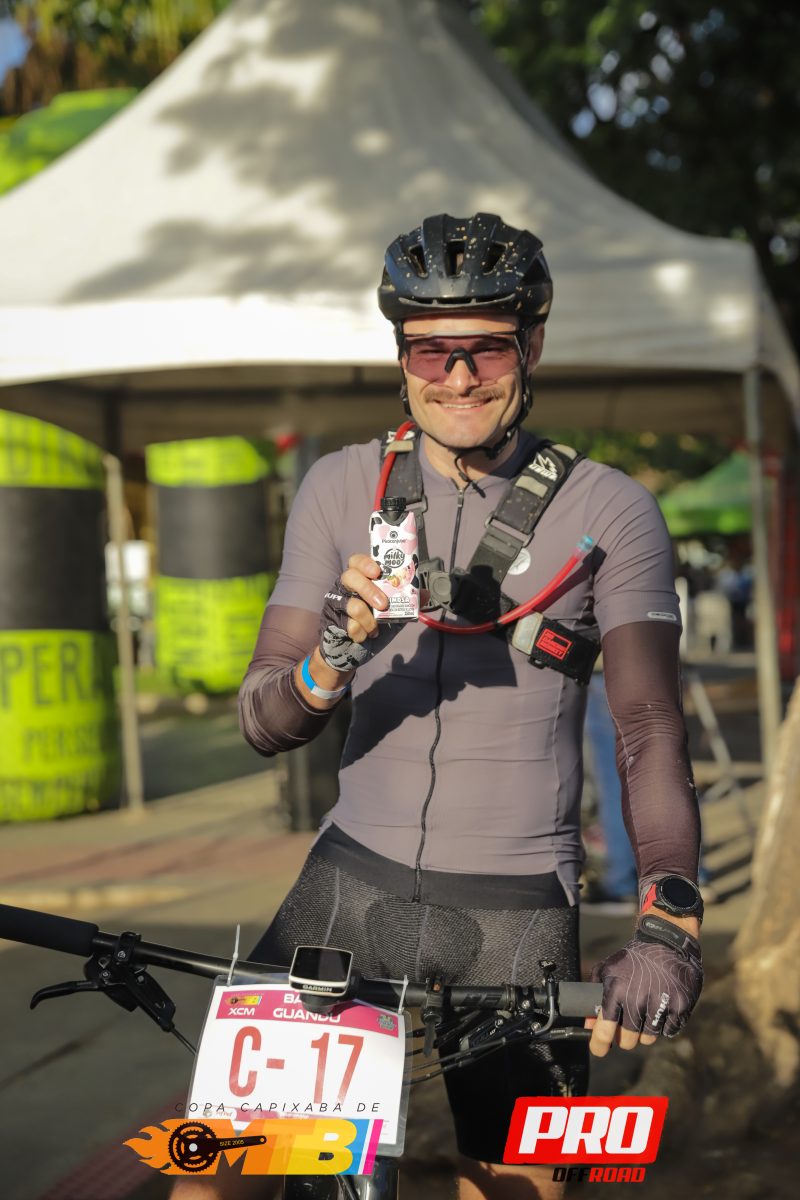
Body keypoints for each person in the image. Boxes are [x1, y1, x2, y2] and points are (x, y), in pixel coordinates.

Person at [179, 214, 704, 1200]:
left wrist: (668, 920)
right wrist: (329, 661)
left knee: (521, 1187)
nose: (458, 377)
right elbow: (263, 722)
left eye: (486, 349)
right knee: (211, 1179)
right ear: (400, 356)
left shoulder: (611, 508)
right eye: (431, 350)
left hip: (517, 910)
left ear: (531, 345)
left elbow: (646, 729)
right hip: (348, 888)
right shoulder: (338, 484)